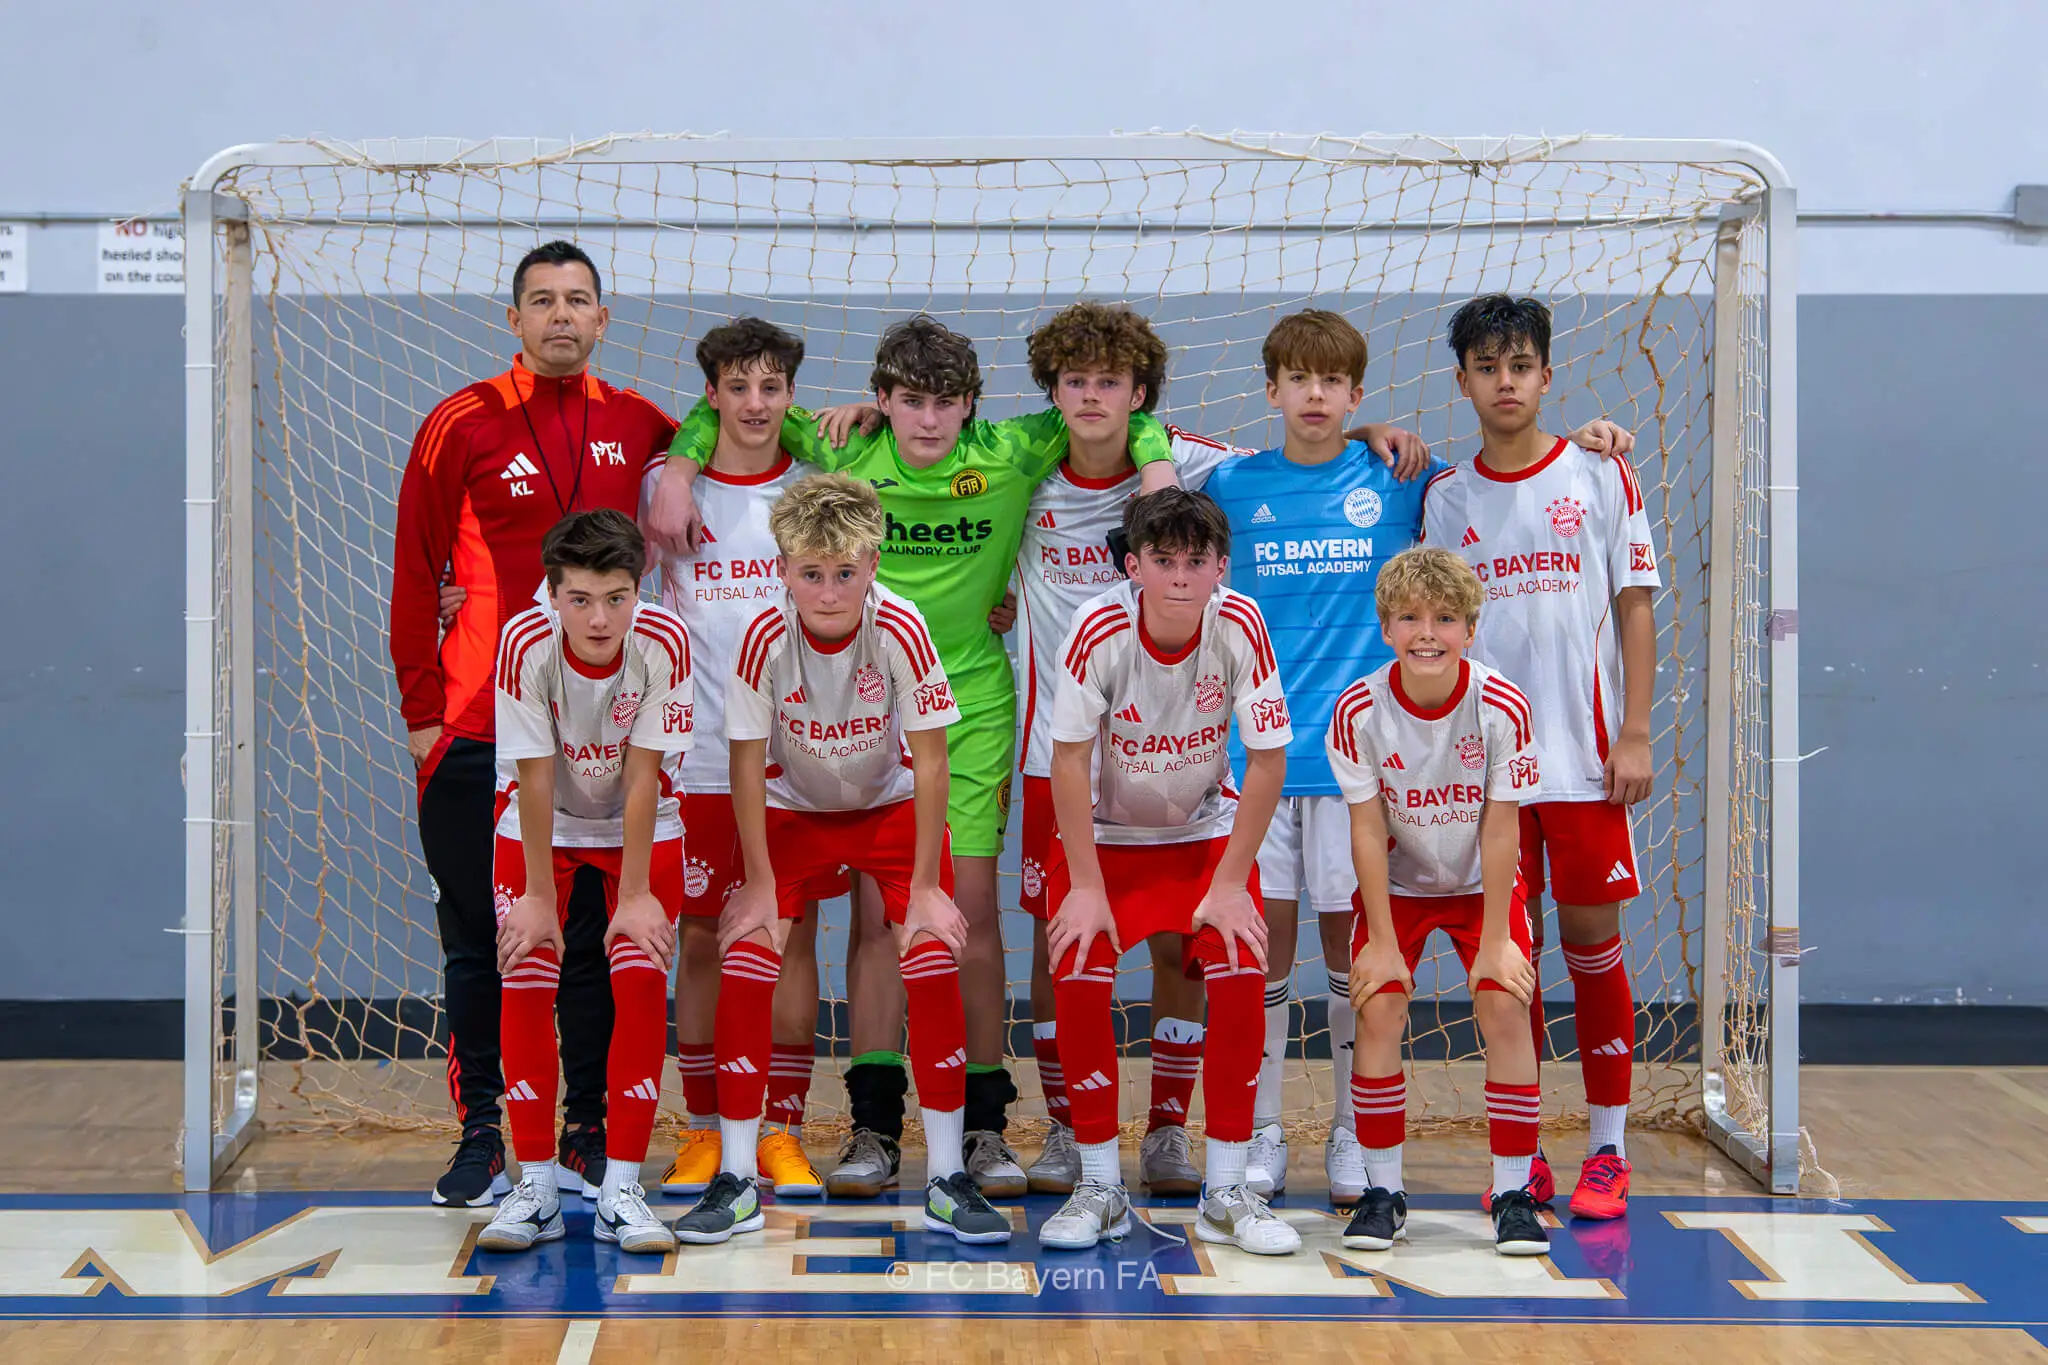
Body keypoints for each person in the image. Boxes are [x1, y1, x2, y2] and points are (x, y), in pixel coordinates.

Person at [649, 315, 1178, 1199]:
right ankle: (873, 1122)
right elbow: (737, 414)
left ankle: (981, 1123)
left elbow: (1123, 418)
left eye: (944, 403)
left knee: (962, 911)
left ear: (971, 405)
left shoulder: (1010, 451)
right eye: (909, 402)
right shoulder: (845, 450)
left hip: (967, 706)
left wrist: (1157, 465)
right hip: (857, 705)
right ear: (882, 400)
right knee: (871, 919)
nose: (927, 422)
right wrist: (676, 464)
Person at [1202, 308, 1631, 1203]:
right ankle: (1267, 1133)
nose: (1314, 396)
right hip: (1260, 763)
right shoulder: (1231, 483)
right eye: (1298, 380)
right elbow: (1135, 455)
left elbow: (1508, 464)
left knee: (1355, 962)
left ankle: (1356, 1138)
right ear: (1271, 388)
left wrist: (1592, 436)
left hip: (1371, 768)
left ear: (1359, 394)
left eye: (1335, 384)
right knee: (1261, 961)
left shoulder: (1406, 480)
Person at [1007, 301, 1429, 1197]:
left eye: (1111, 383)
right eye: (1075, 382)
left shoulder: (1356, 475)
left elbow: (1326, 435)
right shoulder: (1050, 466)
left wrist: (1370, 428)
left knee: (1298, 950)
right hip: (1154, 766)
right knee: (1153, 951)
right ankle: (1155, 1133)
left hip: (1303, 765)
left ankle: (1293, 1132)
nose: (1312, 395)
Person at [389, 240, 678, 1206]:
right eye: (542, 301)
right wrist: (425, 718)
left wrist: (689, 461)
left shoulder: (641, 423)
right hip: (476, 730)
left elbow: (745, 442)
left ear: (604, 319)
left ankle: (590, 1128)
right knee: (487, 942)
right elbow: (412, 570)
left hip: (602, 735)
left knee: (597, 944)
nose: (561, 315)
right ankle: (481, 1134)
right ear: (511, 319)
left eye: (578, 301)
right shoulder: (459, 422)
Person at [672, 474, 1010, 1247]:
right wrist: (759, 883)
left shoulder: (900, 625)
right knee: (749, 949)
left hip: (887, 809)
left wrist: (925, 886)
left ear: (873, 563)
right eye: (812, 574)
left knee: (929, 948)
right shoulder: (764, 636)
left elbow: (931, 762)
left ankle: (950, 1171)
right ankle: (735, 1172)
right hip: (794, 813)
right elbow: (747, 763)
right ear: (783, 570)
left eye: (846, 573)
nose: (829, 592)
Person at [1421, 294, 1662, 1220]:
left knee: (1593, 946)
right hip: (1491, 781)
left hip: (1588, 763)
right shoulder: (1446, 499)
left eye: (1521, 365)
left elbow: (1636, 607)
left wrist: (1634, 731)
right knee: (1505, 965)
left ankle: (1608, 1148)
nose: (1506, 381)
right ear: (1465, 382)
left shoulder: (1601, 475)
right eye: (1488, 367)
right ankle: (1519, 1162)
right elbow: (1432, 638)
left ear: (1546, 376)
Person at [1036, 487, 1296, 1254]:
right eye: (1162, 560)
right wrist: (1084, 885)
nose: (1180, 577)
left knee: (1244, 963)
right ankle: (1098, 1185)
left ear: (1221, 566)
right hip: (1107, 842)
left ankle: (1226, 1189)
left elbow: (1269, 757)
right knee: (1078, 962)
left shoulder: (1241, 623)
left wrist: (1228, 881)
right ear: (1133, 564)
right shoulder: (1097, 629)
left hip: (1204, 834)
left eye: (1196, 561)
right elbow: (1068, 760)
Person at [474, 511, 694, 1257]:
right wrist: (539, 896)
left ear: (640, 590)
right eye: (580, 599)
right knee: (526, 972)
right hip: (544, 826)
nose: (599, 617)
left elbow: (643, 777)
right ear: (552, 593)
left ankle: (620, 1188)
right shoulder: (523, 643)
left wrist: (635, 895)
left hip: (642, 824)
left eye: (617, 597)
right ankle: (533, 1183)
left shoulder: (664, 641)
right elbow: (533, 779)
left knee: (638, 977)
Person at [644, 318, 830, 1202]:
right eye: (738, 387)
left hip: (799, 764)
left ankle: (782, 1129)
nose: (755, 404)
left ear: (792, 396)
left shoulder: (818, 491)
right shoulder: (664, 490)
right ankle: (706, 1129)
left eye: (772, 388)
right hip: (700, 759)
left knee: (790, 941)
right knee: (705, 940)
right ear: (709, 394)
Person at [1327, 545, 1550, 1256]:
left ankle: (1514, 1192)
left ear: (1470, 628)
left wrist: (1494, 939)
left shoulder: (1502, 705)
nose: (1428, 631)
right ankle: (1382, 1192)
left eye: (1445, 617)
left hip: (1482, 882)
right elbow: (1365, 829)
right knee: (1382, 1001)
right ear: (1386, 626)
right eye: (1411, 617)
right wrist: (1384, 943)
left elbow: (1502, 822)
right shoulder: (1358, 709)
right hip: (1398, 885)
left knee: (1503, 1000)